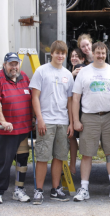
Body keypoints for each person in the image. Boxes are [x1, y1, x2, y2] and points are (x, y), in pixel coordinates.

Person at [72, 41, 110, 202]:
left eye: (103, 53)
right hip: (89, 117)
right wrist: (75, 120)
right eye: (98, 53)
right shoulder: (84, 72)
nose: (100, 56)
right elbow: (75, 98)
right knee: (87, 154)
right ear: (92, 54)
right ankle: (84, 189)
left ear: (106, 54)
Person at [30, 40, 74, 205]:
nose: (60, 56)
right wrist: (39, 119)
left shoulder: (68, 74)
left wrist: (70, 122)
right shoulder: (41, 71)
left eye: (63, 53)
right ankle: (38, 190)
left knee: (59, 157)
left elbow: (70, 101)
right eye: (57, 52)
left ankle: (55, 189)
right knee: (43, 157)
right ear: (52, 54)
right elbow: (34, 96)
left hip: (62, 121)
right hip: (46, 121)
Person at [0, 53, 33, 204]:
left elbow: (31, 98)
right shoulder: (0, 78)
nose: (14, 67)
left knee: (22, 159)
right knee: (4, 162)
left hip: (23, 129)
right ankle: (0, 191)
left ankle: (18, 190)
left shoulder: (24, 76)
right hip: (7, 131)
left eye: (16, 64)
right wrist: (3, 121)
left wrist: (33, 117)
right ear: (5, 65)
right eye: (10, 64)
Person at [68, 48, 87, 175]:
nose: (74, 58)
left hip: (80, 108)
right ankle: (72, 165)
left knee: (75, 137)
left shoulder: (81, 68)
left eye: (77, 56)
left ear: (83, 59)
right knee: (71, 137)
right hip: (71, 107)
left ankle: (75, 166)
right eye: (72, 56)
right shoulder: (70, 71)